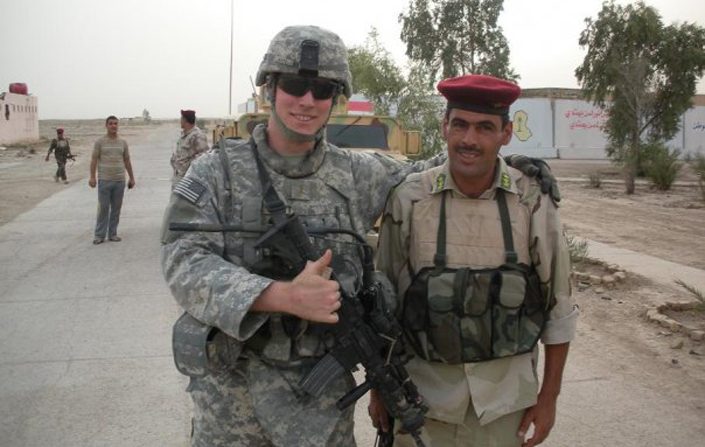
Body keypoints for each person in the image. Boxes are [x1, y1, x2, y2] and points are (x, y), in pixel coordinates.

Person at [161, 26, 557, 447]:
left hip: (319, 412)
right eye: (294, 85)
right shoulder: (215, 172)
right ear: (270, 88)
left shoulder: (356, 174)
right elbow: (183, 259)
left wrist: (505, 161)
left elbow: (429, 172)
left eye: (322, 89)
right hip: (230, 404)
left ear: (336, 98)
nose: (307, 100)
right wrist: (280, 296)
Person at [369, 74, 579, 447]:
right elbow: (383, 305)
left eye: (485, 127)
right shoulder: (410, 198)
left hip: (504, 410)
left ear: (506, 133)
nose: (470, 139)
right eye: (460, 124)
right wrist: (378, 390)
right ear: (444, 127)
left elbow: (558, 307)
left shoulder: (531, 200)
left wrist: (549, 398)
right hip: (421, 404)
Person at [89, 116, 135, 244]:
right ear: (106, 126)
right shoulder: (100, 142)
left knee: (116, 209)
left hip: (119, 180)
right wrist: (92, 177)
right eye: (111, 124)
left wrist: (131, 178)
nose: (113, 126)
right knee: (103, 208)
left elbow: (127, 160)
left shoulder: (123, 142)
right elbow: (94, 160)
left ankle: (112, 234)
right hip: (104, 180)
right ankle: (99, 235)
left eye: (115, 123)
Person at [170, 109, 209, 185]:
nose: (180, 121)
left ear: (185, 120)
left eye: (181, 119)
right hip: (179, 176)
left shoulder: (198, 135)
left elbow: (203, 157)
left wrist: (186, 166)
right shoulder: (184, 135)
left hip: (189, 179)